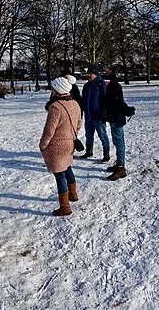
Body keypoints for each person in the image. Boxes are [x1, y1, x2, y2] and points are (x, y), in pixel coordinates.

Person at [41, 76, 83, 216]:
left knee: (59, 175)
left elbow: (49, 130)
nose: (51, 91)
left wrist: (43, 145)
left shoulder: (55, 107)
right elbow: (78, 125)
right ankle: (73, 194)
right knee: (68, 168)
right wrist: (71, 135)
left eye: (53, 88)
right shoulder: (76, 104)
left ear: (57, 90)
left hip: (57, 146)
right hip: (70, 143)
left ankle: (65, 207)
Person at [99, 66, 136, 180]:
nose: (104, 71)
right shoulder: (110, 85)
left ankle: (121, 168)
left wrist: (128, 110)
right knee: (117, 141)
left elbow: (118, 102)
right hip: (113, 117)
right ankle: (119, 164)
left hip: (116, 118)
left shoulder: (114, 85)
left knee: (119, 142)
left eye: (107, 70)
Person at [79, 69, 112, 160]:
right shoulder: (86, 86)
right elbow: (83, 100)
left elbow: (105, 100)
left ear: (96, 74)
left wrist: (104, 114)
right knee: (88, 135)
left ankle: (106, 154)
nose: (88, 75)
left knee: (102, 135)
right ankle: (89, 151)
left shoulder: (101, 84)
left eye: (90, 73)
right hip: (88, 115)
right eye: (87, 73)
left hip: (98, 116)